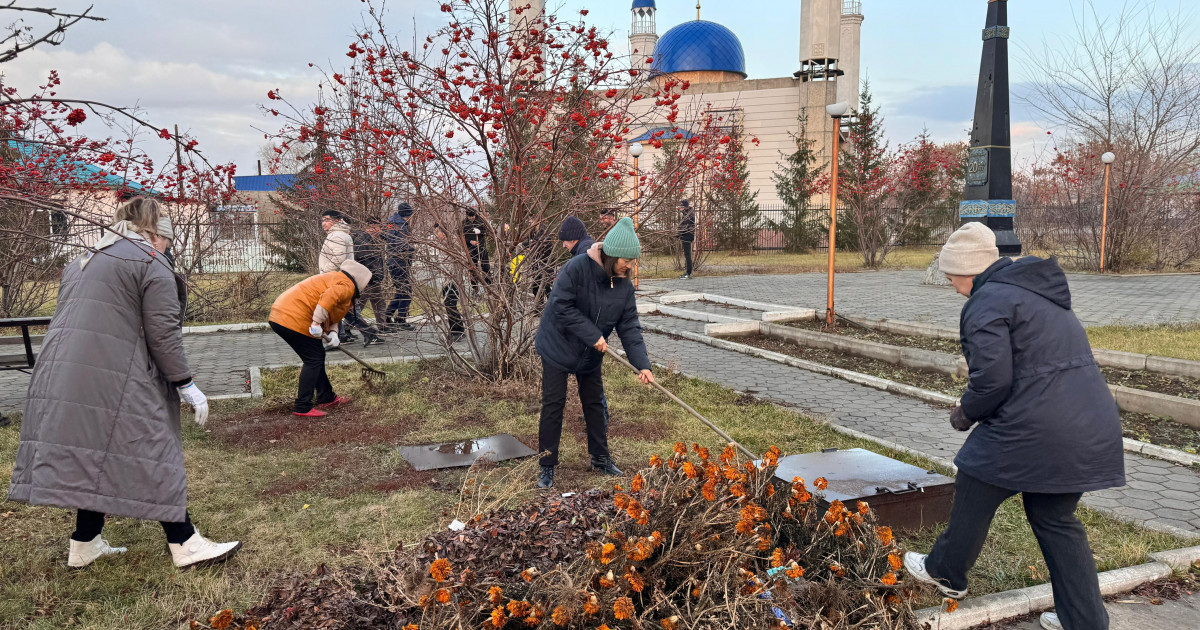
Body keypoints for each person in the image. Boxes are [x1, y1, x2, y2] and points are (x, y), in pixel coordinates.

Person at [904, 223, 1124, 630]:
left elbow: (992, 380)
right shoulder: (1034, 291)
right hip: (1088, 420)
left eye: (951, 277)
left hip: (1040, 426)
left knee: (975, 477)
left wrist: (966, 412)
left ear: (966, 270)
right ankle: (1085, 621)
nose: (952, 286)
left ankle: (946, 571)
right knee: (1055, 519)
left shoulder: (986, 301)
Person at [8, 197, 242, 570]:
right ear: (155, 233)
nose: (166, 248)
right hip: (114, 373)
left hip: (62, 371)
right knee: (153, 448)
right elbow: (163, 333)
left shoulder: (84, 259)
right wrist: (185, 383)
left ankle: (84, 544)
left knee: (98, 453)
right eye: (166, 241)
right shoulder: (149, 262)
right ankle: (185, 543)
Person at [534, 217, 654, 489]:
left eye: (632, 262)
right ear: (611, 255)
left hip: (589, 353)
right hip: (557, 346)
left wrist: (642, 364)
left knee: (594, 404)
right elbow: (561, 306)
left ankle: (600, 458)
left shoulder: (623, 285)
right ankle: (546, 464)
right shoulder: (576, 268)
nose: (630, 266)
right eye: (627, 261)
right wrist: (593, 335)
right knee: (554, 404)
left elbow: (630, 327)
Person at [269, 259, 374, 418]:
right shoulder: (346, 286)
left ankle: (326, 396)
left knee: (316, 356)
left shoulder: (338, 280)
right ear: (360, 281)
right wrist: (317, 322)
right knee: (314, 359)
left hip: (282, 314)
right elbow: (328, 298)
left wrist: (333, 332)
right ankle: (303, 406)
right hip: (292, 317)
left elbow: (333, 312)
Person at [343, 219, 386, 347]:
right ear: (370, 227)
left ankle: (382, 326)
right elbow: (363, 259)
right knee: (359, 305)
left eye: (380, 228)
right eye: (377, 227)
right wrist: (366, 276)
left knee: (379, 302)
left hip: (374, 278)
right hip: (366, 279)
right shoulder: (362, 239)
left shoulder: (371, 239)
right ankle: (347, 327)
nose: (379, 231)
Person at [319, 210, 358, 341]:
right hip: (338, 277)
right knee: (339, 308)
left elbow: (338, 258)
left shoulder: (337, 235)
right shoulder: (339, 234)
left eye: (326, 220)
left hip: (334, 277)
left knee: (335, 307)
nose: (323, 223)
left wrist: (325, 271)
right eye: (322, 220)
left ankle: (338, 336)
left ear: (336, 221)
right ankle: (341, 335)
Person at [383, 202, 416, 332]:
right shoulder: (396, 225)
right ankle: (400, 319)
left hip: (400, 262)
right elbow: (394, 243)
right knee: (406, 291)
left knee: (402, 290)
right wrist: (411, 248)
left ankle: (389, 315)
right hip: (397, 262)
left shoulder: (398, 223)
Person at [677, 200, 696, 280]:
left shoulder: (688, 215)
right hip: (687, 235)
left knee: (687, 255)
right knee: (687, 255)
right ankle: (688, 272)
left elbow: (686, 227)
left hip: (687, 236)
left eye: (681, 207)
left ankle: (688, 273)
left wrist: (680, 233)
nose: (680, 208)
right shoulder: (688, 214)